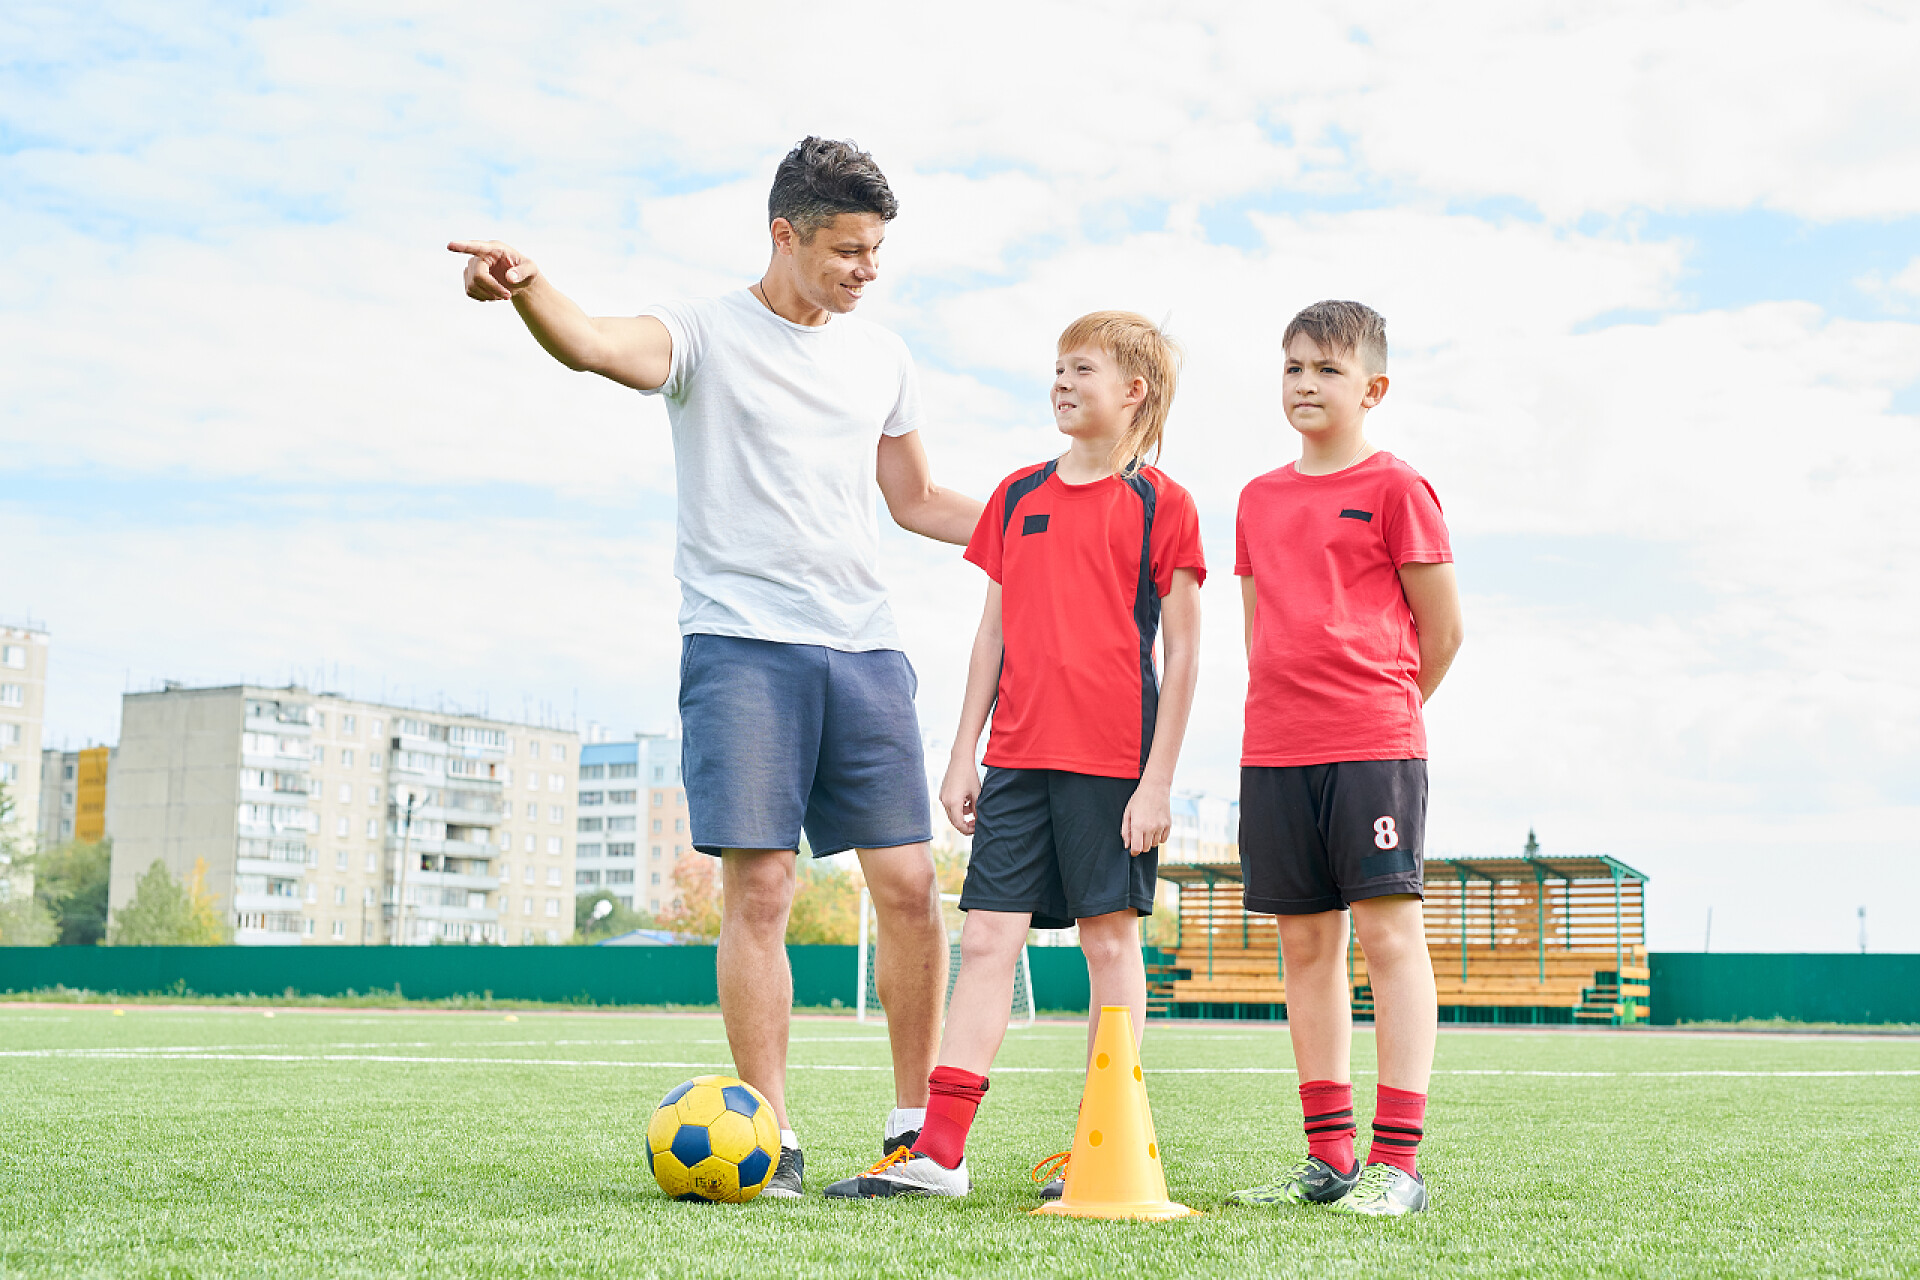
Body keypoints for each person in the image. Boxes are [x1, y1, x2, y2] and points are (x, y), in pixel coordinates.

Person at [449, 138, 982, 1197]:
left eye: (876, 251)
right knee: (763, 886)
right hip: (741, 644)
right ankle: (770, 1138)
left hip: (866, 647)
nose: (867, 270)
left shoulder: (884, 356)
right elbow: (597, 345)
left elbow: (916, 500)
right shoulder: (701, 331)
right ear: (785, 234)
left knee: (911, 886)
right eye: (848, 250)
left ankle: (917, 1134)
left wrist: (1052, 521)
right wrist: (528, 288)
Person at [824, 311, 1204, 1199]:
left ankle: (1101, 1150)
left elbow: (1186, 653)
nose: (1060, 382)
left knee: (1109, 942)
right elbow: (991, 635)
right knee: (988, 937)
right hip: (1016, 762)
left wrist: (1158, 782)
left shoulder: (1165, 504)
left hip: (1114, 764)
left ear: (1134, 391)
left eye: (1081, 369)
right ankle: (939, 1153)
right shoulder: (1017, 496)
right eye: (1057, 368)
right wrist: (964, 753)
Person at [1225, 300, 1464, 1216]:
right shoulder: (1256, 498)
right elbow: (1260, 637)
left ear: (1374, 388)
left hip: (1372, 746)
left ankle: (1397, 1165)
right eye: (1293, 367)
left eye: (1327, 369)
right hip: (1274, 750)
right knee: (1305, 945)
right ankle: (1328, 1160)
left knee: (1389, 938)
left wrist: (1379, 714)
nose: (1305, 384)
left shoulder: (1400, 488)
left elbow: (1443, 633)